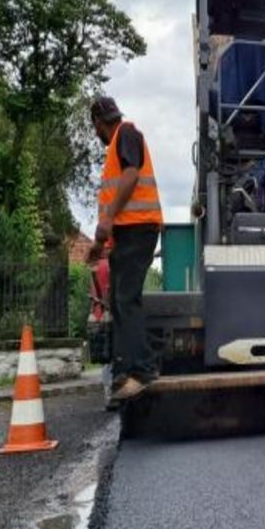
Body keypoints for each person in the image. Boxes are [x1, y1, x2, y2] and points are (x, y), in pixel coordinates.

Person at [86, 96, 163, 403]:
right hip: (128, 234)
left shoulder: (126, 134)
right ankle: (124, 372)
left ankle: (142, 370)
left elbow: (131, 176)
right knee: (117, 301)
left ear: (97, 124)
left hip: (139, 230)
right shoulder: (118, 145)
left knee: (126, 298)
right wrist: (99, 244)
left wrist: (106, 220)